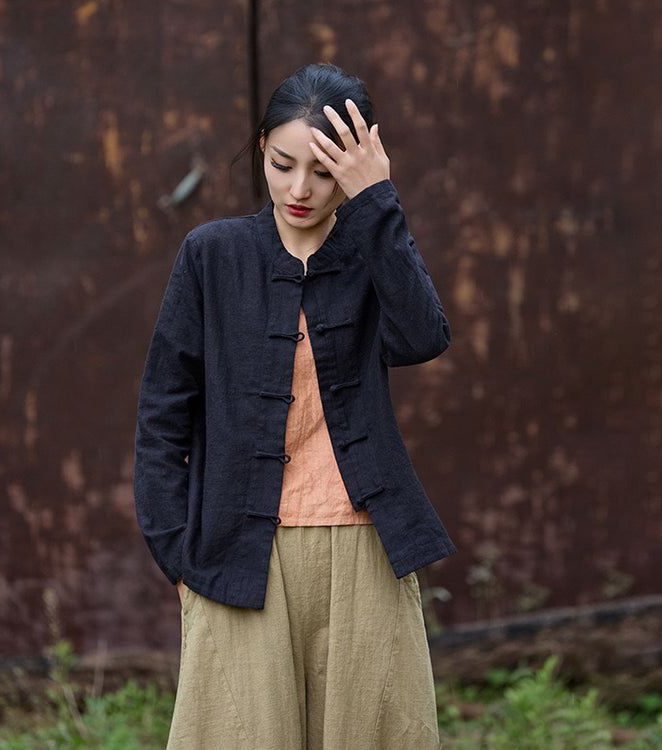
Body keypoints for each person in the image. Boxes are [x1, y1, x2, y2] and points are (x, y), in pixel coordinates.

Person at [134, 63, 455, 749]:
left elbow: (423, 338)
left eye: (325, 171)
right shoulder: (212, 254)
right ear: (261, 149)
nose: (300, 189)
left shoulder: (372, 253)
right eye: (283, 165)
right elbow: (163, 414)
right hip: (236, 551)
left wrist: (378, 202)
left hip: (364, 549)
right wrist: (176, 554)